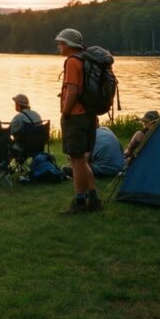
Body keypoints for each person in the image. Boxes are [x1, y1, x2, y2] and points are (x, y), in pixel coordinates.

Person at [56, 28, 101, 214]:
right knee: (82, 160)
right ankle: (94, 199)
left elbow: (73, 91)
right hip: (89, 115)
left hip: (76, 116)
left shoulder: (73, 62)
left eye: (61, 43)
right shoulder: (87, 60)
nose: (59, 46)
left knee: (76, 160)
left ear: (68, 44)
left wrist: (65, 112)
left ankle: (79, 202)